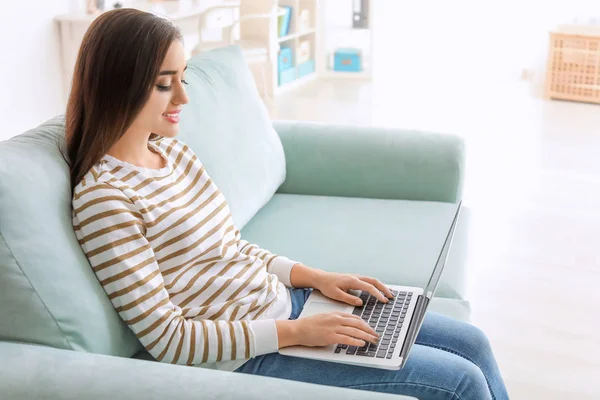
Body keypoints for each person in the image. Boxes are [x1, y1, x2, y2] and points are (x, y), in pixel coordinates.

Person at [66, 8, 509, 400]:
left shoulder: (174, 154)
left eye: (184, 79)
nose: (183, 98)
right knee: (460, 383)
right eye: (165, 85)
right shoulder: (106, 200)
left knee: (473, 344)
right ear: (117, 87)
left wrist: (314, 278)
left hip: (288, 305)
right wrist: (298, 333)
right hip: (247, 354)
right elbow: (170, 340)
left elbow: (232, 248)